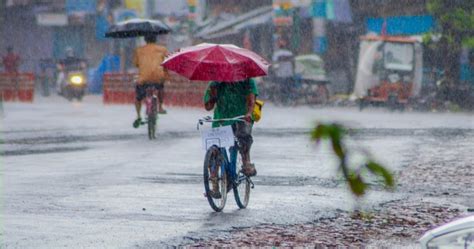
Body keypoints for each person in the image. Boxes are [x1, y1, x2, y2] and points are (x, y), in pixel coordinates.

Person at [204, 78, 258, 181]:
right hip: (221, 119)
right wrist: (213, 92)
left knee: (244, 138)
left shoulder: (248, 80)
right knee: (214, 148)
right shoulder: (216, 82)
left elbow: (252, 100)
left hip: (241, 118)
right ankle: (214, 179)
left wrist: (249, 113)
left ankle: (246, 162)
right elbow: (208, 107)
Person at [132, 34, 169, 128]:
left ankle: (138, 115)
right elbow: (167, 64)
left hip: (144, 78)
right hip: (158, 77)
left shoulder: (139, 50)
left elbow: (136, 64)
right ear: (155, 40)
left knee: (138, 97)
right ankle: (160, 107)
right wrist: (167, 77)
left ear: (145, 40)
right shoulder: (163, 49)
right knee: (160, 88)